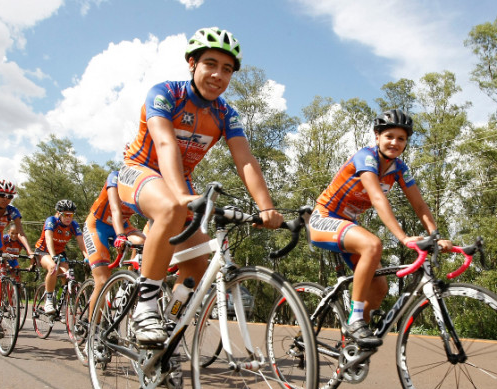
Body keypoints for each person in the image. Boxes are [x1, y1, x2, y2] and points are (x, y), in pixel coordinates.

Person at [115, 26, 283, 347]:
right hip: (141, 170)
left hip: (180, 184)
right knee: (171, 205)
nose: (218, 75)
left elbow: (245, 160)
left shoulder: (224, 114)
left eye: (227, 69)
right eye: (210, 64)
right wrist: (180, 195)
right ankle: (146, 309)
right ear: (192, 63)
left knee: (196, 263)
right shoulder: (165, 94)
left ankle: (170, 322)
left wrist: (267, 207)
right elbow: (165, 144)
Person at [307, 109, 452, 347]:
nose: (395, 142)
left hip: (348, 225)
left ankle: (352, 343)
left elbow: (419, 204)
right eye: (389, 136)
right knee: (373, 244)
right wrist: (404, 238)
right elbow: (377, 198)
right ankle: (355, 320)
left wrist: (435, 236)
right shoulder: (366, 157)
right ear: (377, 137)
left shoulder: (399, 169)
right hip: (324, 218)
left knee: (380, 286)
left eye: (401, 138)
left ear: (406, 143)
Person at [84, 169, 145, 314]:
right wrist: (120, 236)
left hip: (123, 224)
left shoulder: (146, 183)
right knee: (103, 280)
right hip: (98, 225)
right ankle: (93, 331)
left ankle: (126, 284)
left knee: (144, 242)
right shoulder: (116, 177)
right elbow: (115, 209)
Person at [33, 199, 89, 315]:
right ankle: (48, 300)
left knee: (68, 276)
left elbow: (81, 242)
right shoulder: (51, 221)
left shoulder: (73, 225)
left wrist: (87, 256)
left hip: (59, 252)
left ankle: (61, 303)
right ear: (58, 213)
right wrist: (53, 256)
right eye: (65, 215)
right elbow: (48, 239)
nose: (69, 218)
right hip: (44, 251)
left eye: (71, 215)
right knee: (53, 268)